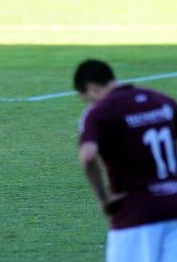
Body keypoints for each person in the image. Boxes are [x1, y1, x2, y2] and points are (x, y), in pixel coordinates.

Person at [74, 59, 177, 262]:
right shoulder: (162, 100)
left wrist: (103, 199)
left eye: (87, 98)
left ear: (91, 88)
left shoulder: (100, 112)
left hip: (135, 214)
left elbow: (88, 155)